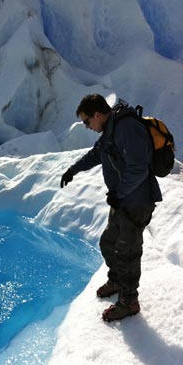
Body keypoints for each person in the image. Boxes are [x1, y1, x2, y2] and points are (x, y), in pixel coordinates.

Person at [60, 94, 162, 322]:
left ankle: (129, 301)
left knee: (128, 251)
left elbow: (138, 169)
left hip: (136, 201)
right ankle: (117, 280)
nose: (87, 126)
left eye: (87, 121)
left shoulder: (127, 128)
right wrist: (73, 170)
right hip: (122, 200)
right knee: (109, 242)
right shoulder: (110, 128)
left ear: (97, 115)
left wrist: (119, 194)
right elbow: (97, 154)